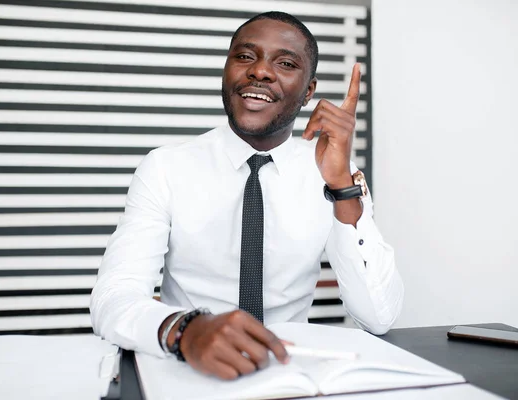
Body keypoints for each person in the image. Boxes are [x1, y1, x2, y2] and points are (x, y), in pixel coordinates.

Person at [90, 11, 403, 380]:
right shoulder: (165, 168)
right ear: (226, 72)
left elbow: (378, 316)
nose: (260, 71)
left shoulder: (333, 173)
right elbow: (113, 298)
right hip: (187, 366)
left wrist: (341, 187)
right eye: (244, 56)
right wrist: (186, 330)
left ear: (309, 92)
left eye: (285, 63)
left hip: (289, 373)